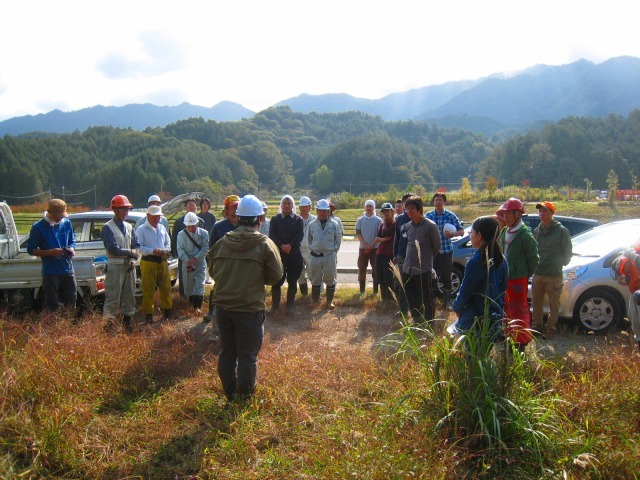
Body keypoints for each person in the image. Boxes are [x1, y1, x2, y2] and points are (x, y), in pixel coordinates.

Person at [209, 194, 283, 402]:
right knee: (247, 358)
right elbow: (275, 276)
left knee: (227, 353)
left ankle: (231, 396)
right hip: (249, 310)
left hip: (223, 309)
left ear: (238, 217)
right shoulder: (265, 245)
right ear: (259, 220)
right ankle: (244, 399)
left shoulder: (223, 242)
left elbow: (212, 269)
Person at [448, 216, 508, 338]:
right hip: (494, 319)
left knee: (472, 355)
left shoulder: (476, 262)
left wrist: (456, 307)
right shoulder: (502, 260)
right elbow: (502, 289)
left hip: (474, 320)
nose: (470, 235)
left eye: (471, 232)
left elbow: (465, 292)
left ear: (479, 236)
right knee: (485, 354)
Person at [498, 197, 539, 350]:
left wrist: (524, 274)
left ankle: (521, 342)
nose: (505, 217)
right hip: (505, 278)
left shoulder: (525, 236)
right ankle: (509, 336)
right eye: (504, 214)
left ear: (518, 214)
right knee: (506, 309)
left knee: (519, 309)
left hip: (518, 279)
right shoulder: (504, 232)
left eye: (508, 214)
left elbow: (534, 259)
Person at [27, 198, 77, 312]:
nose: (62, 217)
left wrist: (71, 249)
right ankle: (53, 328)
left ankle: (68, 327)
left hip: (68, 270)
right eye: (60, 214)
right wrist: (50, 252)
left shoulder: (66, 223)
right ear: (52, 213)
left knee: (71, 302)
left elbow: (72, 241)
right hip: (50, 272)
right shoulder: (38, 227)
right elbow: (31, 250)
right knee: (52, 305)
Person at [531, 201, 572, 338]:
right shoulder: (537, 231)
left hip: (554, 275)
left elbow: (567, 250)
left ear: (552, 213)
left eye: (545, 211)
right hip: (538, 273)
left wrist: (561, 263)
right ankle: (537, 326)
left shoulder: (561, 231)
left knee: (554, 304)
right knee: (536, 303)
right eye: (540, 211)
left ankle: (550, 329)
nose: (541, 214)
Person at [100, 194, 140, 333]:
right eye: (123, 209)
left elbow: (136, 244)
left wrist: (134, 257)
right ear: (115, 210)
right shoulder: (107, 228)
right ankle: (108, 326)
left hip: (129, 266)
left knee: (129, 295)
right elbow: (112, 248)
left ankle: (128, 324)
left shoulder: (129, 227)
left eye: (127, 209)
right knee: (113, 296)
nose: (126, 212)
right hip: (115, 265)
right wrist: (130, 252)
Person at [402, 195, 441, 324]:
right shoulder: (408, 226)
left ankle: (430, 322)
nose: (409, 211)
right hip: (408, 267)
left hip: (423, 269)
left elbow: (436, 247)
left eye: (412, 208)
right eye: (407, 209)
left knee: (427, 298)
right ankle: (417, 319)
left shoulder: (430, 226)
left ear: (420, 209)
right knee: (411, 296)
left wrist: (426, 260)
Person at [203, 194, 240, 324]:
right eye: (233, 207)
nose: (236, 209)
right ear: (227, 209)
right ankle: (212, 311)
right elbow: (212, 248)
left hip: (239, 264)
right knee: (218, 289)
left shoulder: (244, 226)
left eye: (238, 206)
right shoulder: (218, 227)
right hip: (222, 264)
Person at [425, 193, 464, 310]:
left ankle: (447, 301)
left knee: (447, 276)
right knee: (431, 276)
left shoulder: (450, 216)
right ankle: (431, 301)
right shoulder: (428, 216)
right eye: (436, 200)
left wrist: (452, 234)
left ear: (444, 202)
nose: (438, 202)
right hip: (432, 253)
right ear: (433, 202)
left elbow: (461, 231)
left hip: (446, 252)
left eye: (440, 200)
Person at [136, 204, 173, 324]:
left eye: (159, 216)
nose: (158, 218)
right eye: (156, 216)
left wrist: (165, 250)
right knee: (148, 288)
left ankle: (167, 312)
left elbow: (168, 242)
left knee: (166, 287)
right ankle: (149, 316)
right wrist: (152, 251)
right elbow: (139, 248)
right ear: (148, 216)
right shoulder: (141, 229)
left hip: (162, 260)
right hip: (148, 261)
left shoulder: (162, 228)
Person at [269, 195, 304, 314]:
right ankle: (274, 307)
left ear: (293, 205)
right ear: (281, 205)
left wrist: (290, 245)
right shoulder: (275, 219)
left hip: (294, 254)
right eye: (285, 203)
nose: (287, 205)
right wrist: (282, 246)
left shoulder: (298, 220)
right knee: (277, 280)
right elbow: (272, 235)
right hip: (279, 254)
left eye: (289, 203)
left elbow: (300, 235)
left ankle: (289, 308)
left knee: (293, 281)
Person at [307, 199, 342, 308]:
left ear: (328, 212)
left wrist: (332, 251)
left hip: (329, 256)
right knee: (315, 280)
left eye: (325, 211)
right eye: (320, 210)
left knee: (330, 279)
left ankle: (329, 302)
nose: (322, 213)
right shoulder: (312, 224)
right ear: (317, 211)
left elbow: (338, 240)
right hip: (315, 256)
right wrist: (314, 248)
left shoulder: (334, 224)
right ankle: (315, 301)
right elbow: (309, 239)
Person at [171, 197, 205, 298]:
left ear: (196, 208)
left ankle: (196, 300)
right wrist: (176, 254)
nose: (191, 206)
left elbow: (204, 242)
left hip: (198, 257)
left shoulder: (201, 221)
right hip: (184, 256)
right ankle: (184, 297)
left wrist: (200, 256)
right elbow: (174, 239)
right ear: (185, 207)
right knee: (184, 278)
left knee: (198, 278)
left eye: (193, 205)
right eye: (189, 205)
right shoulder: (179, 222)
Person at [177, 212, 210, 313]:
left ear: (198, 223)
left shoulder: (204, 233)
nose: (191, 228)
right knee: (189, 286)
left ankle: (197, 308)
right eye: (188, 226)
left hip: (199, 262)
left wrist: (195, 259)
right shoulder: (181, 234)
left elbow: (205, 249)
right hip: (187, 263)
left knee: (200, 284)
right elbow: (180, 250)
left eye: (193, 226)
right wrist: (188, 260)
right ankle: (191, 303)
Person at [611, 242, 640, 352]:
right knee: (636, 328)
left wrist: (633, 255)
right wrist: (623, 276)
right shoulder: (636, 245)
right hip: (635, 291)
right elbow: (619, 263)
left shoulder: (634, 253)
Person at [392, 193, 414, 317]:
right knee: (401, 283)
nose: (408, 206)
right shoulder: (400, 218)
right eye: (406, 202)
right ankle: (403, 310)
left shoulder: (420, 217)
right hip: (402, 255)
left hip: (415, 256)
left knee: (414, 283)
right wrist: (395, 253)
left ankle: (415, 309)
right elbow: (397, 237)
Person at [355, 199, 383, 295]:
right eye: (367, 206)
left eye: (371, 206)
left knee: (376, 268)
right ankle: (362, 290)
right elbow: (358, 234)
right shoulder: (360, 220)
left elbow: (379, 235)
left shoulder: (378, 220)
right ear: (365, 207)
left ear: (374, 207)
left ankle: (375, 291)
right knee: (362, 268)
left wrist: (371, 245)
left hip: (375, 248)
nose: (369, 208)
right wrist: (365, 245)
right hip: (363, 249)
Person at [374, 202, 396, 303]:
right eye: (384, 211)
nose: (386, 213)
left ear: (392, 211)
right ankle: (384, 298)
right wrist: (384, 239)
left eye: (388, 211)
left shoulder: (396, 224)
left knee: (389, 278)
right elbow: (377, 238)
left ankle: (391, 299)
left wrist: (383, 239)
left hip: (390, 254)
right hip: (380, 253)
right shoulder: (383, 224)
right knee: (380, 277)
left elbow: (392, 237)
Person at [297, 196, 316, 296]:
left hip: (310, 251)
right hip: (298, 250)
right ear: (299, 208)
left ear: (310, 207)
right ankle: (304, 295)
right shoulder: (295, 219)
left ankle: (315, 295)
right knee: (299, 274)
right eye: (302, 207)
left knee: (312, 273)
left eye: (306, 206)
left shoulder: (314, 220)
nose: (304, 209)